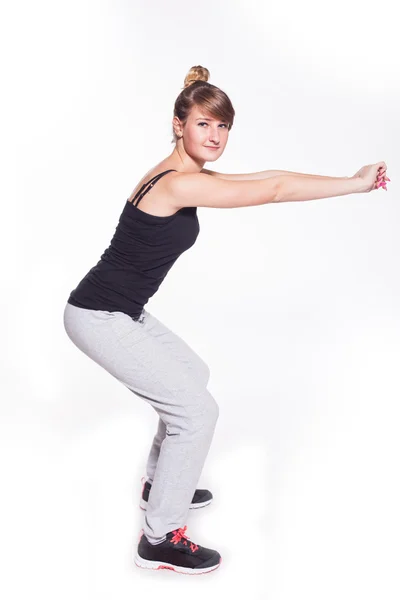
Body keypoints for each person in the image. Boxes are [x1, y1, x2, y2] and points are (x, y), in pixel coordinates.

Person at [63, 64, 389, 575]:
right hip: (98, 315)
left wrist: (350, 180)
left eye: (223, 127)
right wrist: (353, 184)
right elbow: (275, 189)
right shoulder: (174, 185)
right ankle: (160, 537)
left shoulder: (184, 175)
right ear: (179, 124)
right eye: (203, 125)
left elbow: (265, 177)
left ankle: (158, 484)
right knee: (198, 413)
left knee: (191, 378)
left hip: (117, 309)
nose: (215, 136)